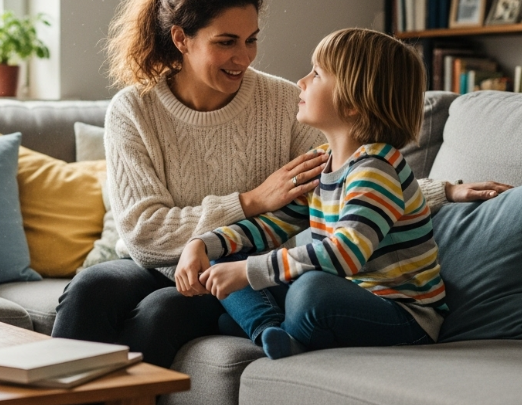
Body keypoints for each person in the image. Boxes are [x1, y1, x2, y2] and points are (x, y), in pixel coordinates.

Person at [0, 0, 510, 405]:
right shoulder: (133, 111)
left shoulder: (279, 102)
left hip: (234, 271)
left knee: (162, 316)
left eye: (251, 39)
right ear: (181, 39)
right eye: (225, 43)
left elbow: (348, 179)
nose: (243, 57)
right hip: (155, 256)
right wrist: (245, 202)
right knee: (89, 290)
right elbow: (142, 233)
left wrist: (444, 189)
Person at [177, 27, 446, 359]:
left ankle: (269, 326)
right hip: (346, 296)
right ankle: (270, 332)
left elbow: (346, 253)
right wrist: (202, 242)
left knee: (310, 289)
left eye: (316, 74)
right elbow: (269, 227)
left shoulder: (377, 168)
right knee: (229, 253)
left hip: (402, 316)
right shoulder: (323, 163)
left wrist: (249, 272)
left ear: (352, 103)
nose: (301, 82)